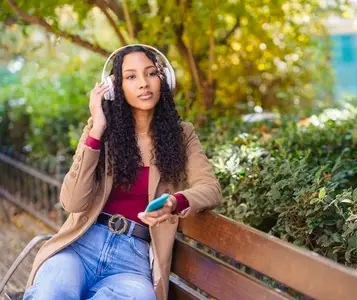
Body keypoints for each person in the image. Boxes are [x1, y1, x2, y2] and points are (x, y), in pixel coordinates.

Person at [23, 44, 222, 300]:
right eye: (131, 76)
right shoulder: (100, 131)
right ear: (116, 87)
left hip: (133, 260)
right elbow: (72, 201)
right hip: (82, 247)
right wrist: (96, 130)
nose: (143, 83)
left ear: (164, 79)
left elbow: (210, 189)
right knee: (50, 293)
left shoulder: (182, 134)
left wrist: (175, 201)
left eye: (150, 73)